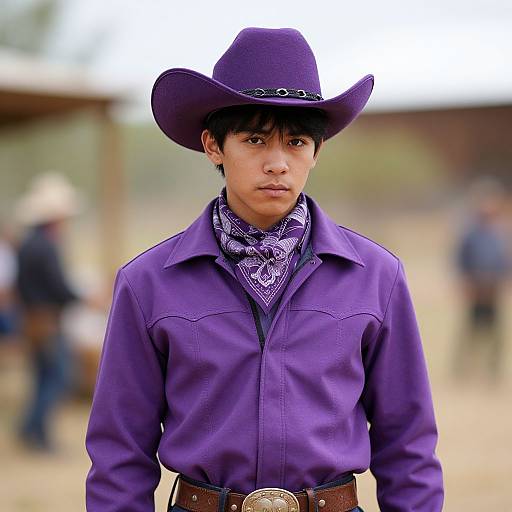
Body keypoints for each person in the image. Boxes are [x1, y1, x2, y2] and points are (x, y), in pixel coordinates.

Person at [85, 27, 444, 512]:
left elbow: (409, 442)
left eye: (296, 142)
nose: (277, 163)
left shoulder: (377, 277)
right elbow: (119, 453)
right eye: (255, 140)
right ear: (214, 146)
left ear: (317, 152)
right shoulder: (147, 283)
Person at [14, 171, 97, 452]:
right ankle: (37, 433)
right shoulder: (46, 247)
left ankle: (28, 429)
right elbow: (58, 287)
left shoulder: (29, 244)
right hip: (47, 321)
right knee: (56, 376)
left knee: (42, 376)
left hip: (32, 319)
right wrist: (84, 298)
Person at [452, 175, 511, 382]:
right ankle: (464, 370)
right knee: (471, 331)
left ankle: (492, 371)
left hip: (493, 288)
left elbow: (506, 260)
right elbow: (460, 259)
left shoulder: (501, 231)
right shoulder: (470, 232)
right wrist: (465, 282)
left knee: (496, 334)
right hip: (476, 288)